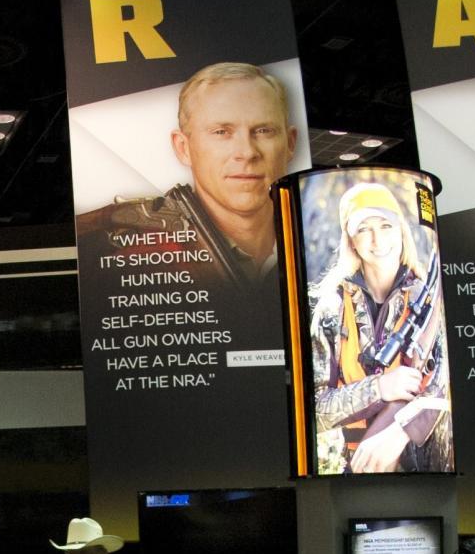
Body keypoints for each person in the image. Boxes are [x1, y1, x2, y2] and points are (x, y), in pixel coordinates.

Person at [76, 62, 293, 336]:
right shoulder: (134, 264)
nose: (246, 152)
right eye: (221, 132)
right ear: (183, 148)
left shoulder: (306, 246)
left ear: (291, 143)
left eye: (263, 131)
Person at [303, 180, 451, 475]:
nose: (377, 240)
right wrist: (380, 388)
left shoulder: (430, 301)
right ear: (351, 241)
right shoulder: (332, 310)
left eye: (385, 225)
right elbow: (313, 410)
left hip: (429, 468)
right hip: (362, 466)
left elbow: (445, 388)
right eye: (363, 229)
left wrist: (400, 431)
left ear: (401, 231)